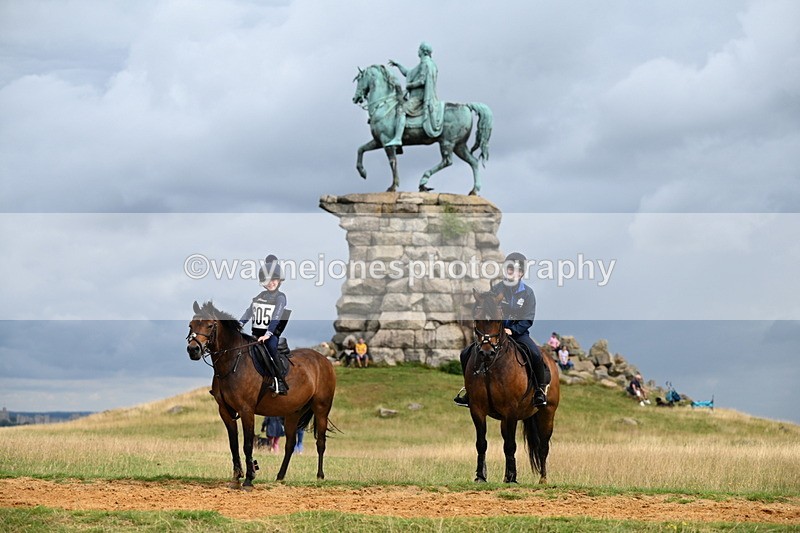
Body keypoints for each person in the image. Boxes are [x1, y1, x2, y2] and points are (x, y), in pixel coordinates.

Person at [455, 252, 548, 408]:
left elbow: (528, 319)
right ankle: (469, 391)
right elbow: (487, 310)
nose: (510, 272)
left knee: (536, 354)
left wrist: (513, 330)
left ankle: (539, 391)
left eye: (514, 270)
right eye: (508, 268)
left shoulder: (528, 293)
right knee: (466, 353)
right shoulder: (496, 289)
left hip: (518, 334)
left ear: (521, 273)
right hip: (495, 334)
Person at [240, 254, 289, 395]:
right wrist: (238, 325)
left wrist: (268, 334)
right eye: (267, 279)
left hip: (270, 335)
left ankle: (280, 381)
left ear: (279, 281)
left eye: (274, 279)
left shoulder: (281, 297)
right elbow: (249, 312)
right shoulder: (260, 296)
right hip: (256, 335)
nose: (271, 282)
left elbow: (276, 317)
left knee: (271, 349)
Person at [387, 41, 444, 150]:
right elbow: (409, 73)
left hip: (419, 98)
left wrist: (409, 85)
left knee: (401, 110)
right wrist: (398, 65)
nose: (417, 51)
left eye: (419, 49)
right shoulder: (429, 63)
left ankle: (398, 138)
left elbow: (422, 81)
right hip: (419, 96)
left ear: (422, 51)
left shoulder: (425, 64)